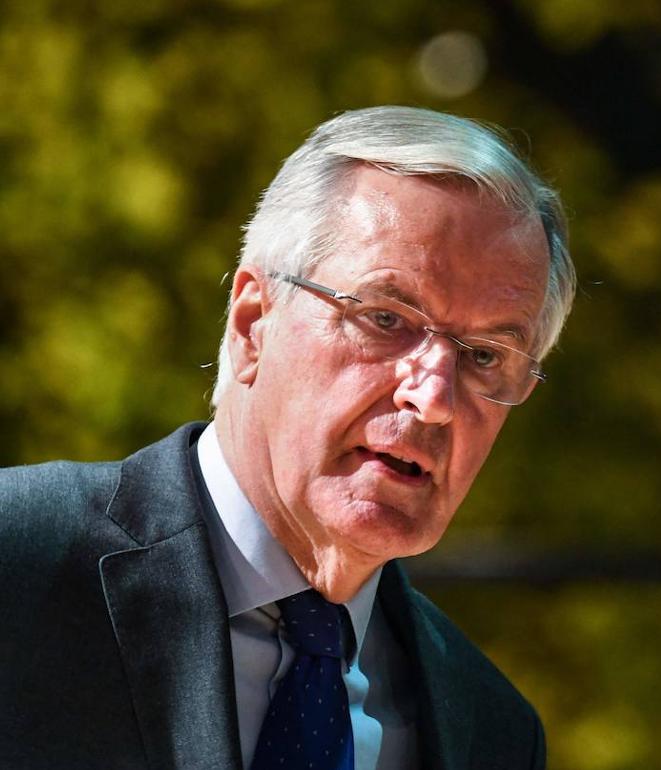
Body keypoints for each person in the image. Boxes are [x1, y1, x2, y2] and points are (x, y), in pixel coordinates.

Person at [0, 105, 575, 770]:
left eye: (483, 356)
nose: (435, 397)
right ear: (252, 324)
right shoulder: (19, 561)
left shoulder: (492, 730)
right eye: (386, 317)